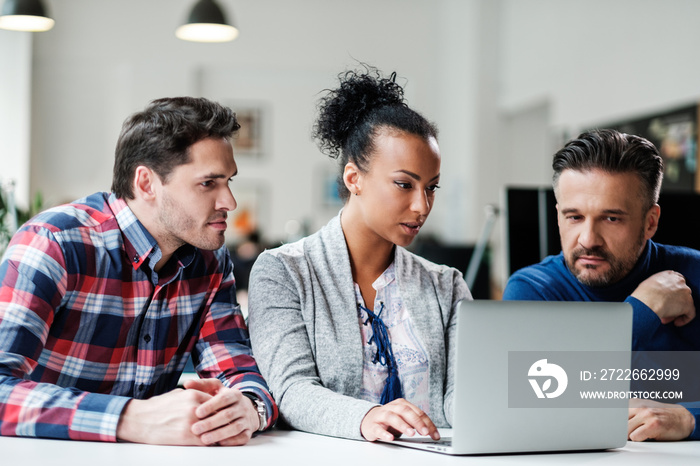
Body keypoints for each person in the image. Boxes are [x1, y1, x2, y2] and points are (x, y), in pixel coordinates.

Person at [0, 97, 277, 445]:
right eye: (209, 183)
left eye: (229, 182)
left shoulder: (210, 260)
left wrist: (248, 408)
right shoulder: (54, 243)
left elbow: (237, 369)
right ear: (146, 183)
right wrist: (131, 418)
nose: (230, 203)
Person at [247, 66, 471, 442]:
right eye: (404, 184)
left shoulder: (446, 285)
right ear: (354, 179)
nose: (422, 205)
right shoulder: (282, 271)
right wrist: (366, 417)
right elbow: (290, 390)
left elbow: (461, 401)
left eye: (431, 187)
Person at [502, 128, 700, 441]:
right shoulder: (534, 290)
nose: (588, 240)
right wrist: (641, 311)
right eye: (574, 217)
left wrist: (690, 419)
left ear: (650, 221)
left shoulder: (695, 274)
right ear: (558, 217)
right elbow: (533, 402)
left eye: (611, 219)